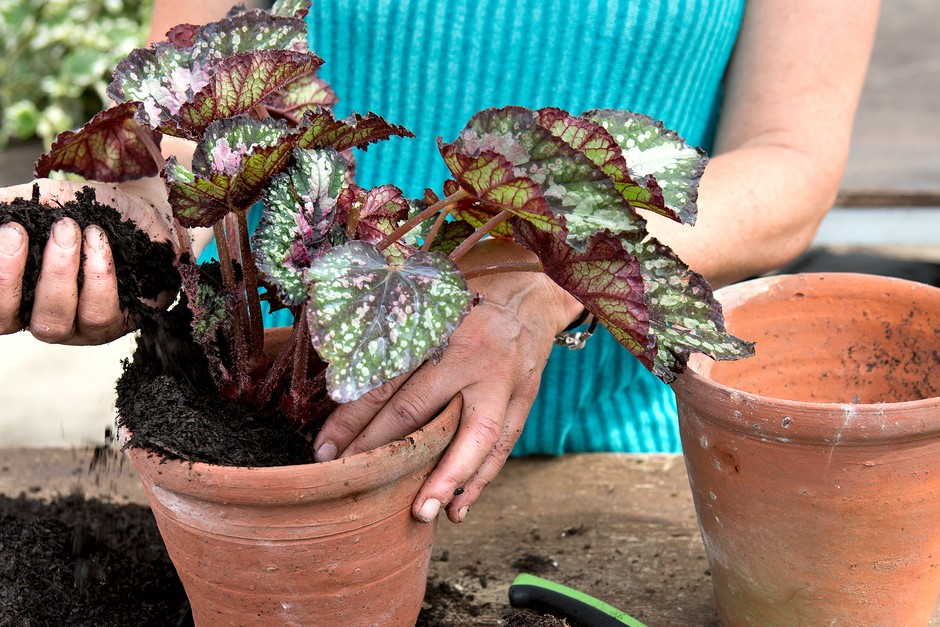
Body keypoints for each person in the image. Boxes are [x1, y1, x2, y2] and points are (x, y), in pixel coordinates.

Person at [0, 0, 879, 525]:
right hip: (289, 448)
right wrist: (132, 212)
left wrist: (542, 269)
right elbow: (193, 91)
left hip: (620, 461)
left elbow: (791, 159)